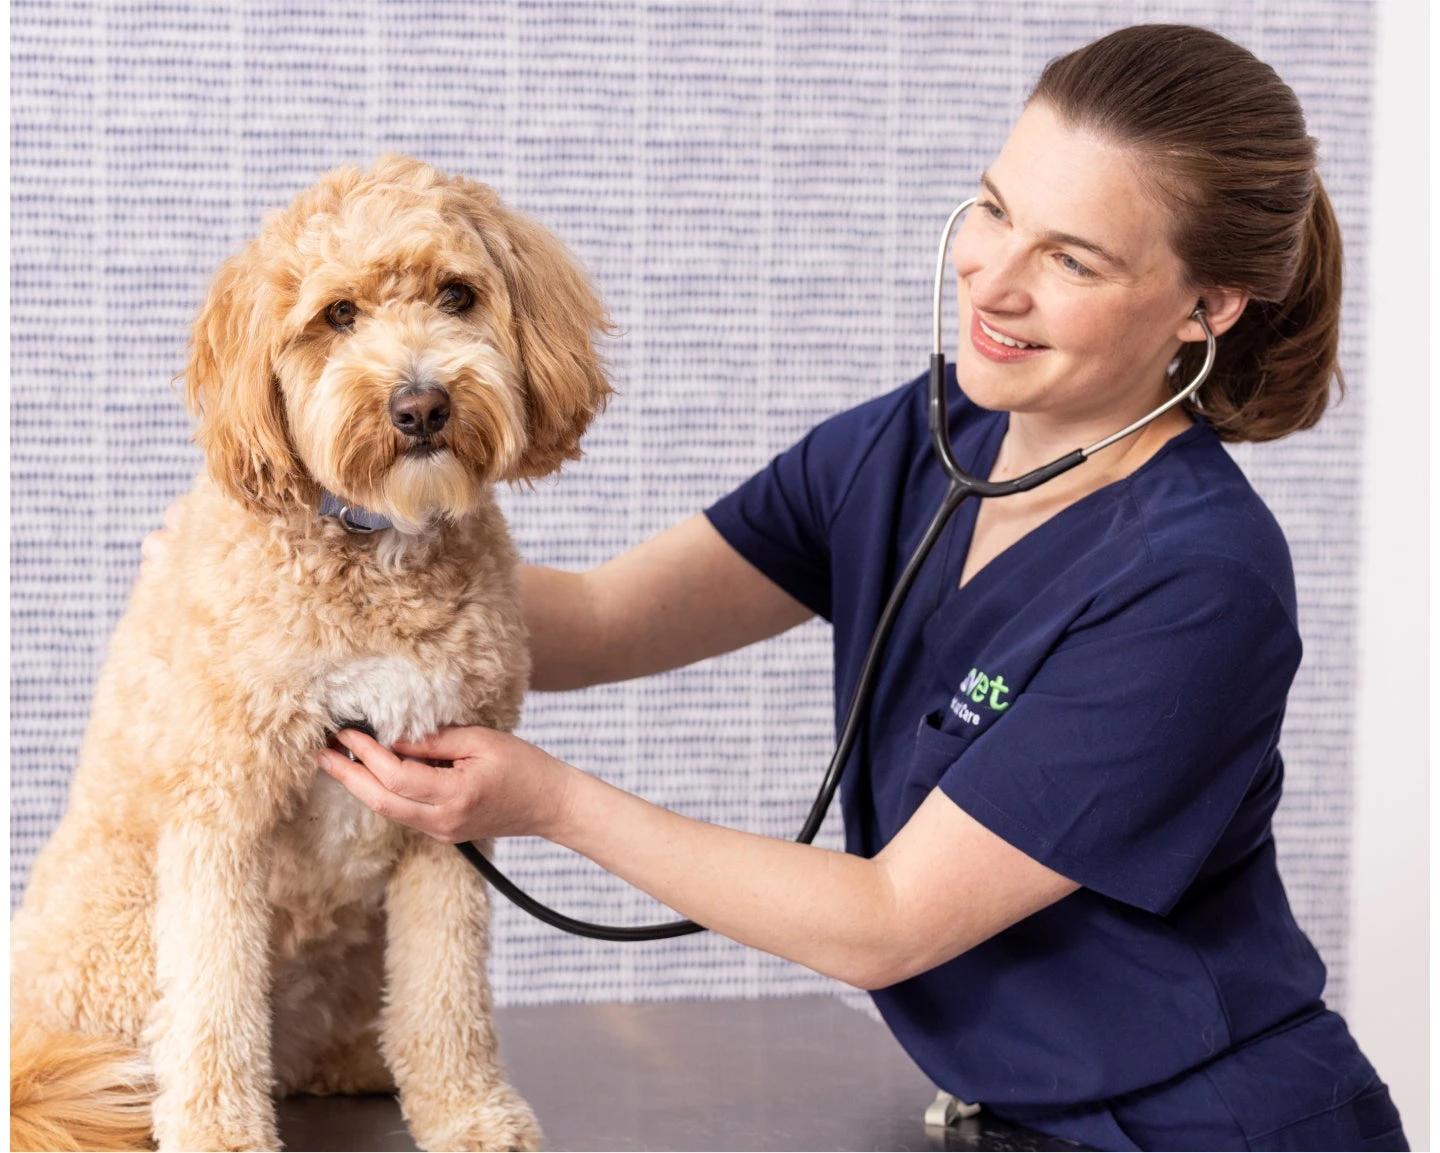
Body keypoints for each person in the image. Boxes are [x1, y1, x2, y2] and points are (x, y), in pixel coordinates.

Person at [158, 24, 1404, 1152]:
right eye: (991, 210)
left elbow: (889, 921)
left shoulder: (1200, 583)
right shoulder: (912, 441)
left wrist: (547, 800)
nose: (994, 280)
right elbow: (598, 620)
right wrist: (284, 583)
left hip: (1218, 1125)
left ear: (1208, 305)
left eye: (1070, 258)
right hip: (1012, 1113)